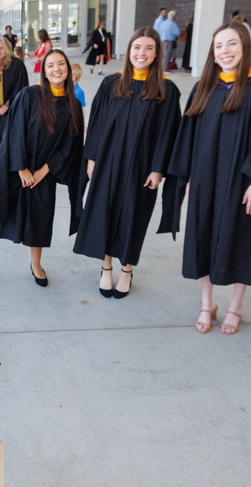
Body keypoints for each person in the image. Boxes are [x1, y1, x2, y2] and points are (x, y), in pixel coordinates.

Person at [167, 22, 251, 334]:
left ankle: (236, 306)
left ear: (245, 47)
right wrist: (190, 177)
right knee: (203, 234)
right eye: (219, 46)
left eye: (232, 44)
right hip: (205, 179)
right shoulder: (206, 85)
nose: (225, 51)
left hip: (243, 182)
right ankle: (207, 303)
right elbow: (189, 137)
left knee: (241, 238)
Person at [74, 28, 182, 298]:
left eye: (148, 48)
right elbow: (96, 124)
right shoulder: (112, 83)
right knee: (105, 214)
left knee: (135, 217)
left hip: (142, 169)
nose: (141, 53)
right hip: (108, 164)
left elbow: (169, 132)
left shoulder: (166, 90)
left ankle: (127, 270)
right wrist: (91, 158)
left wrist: (158, 169)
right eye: (136, 47)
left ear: (157, 52)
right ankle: (107, 268)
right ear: (129, 50)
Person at [0, 49, 84, 286]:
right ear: (43, 72)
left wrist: (44, 171)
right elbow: (13, 134)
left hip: (45, 172)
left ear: (68, 69)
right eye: (50, 66)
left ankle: (35, 264)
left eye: (61, 64)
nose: (56, 69)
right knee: (0, 212)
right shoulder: (29, 95)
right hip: (17, 168)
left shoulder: (73, 105)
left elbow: (69, 145)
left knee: (40, 217)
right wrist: (21, 168)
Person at [70, 63, 86, 128]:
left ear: (73, 77)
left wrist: (83, 124)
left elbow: (82, 109)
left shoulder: (79, 92)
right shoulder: (64, 88)